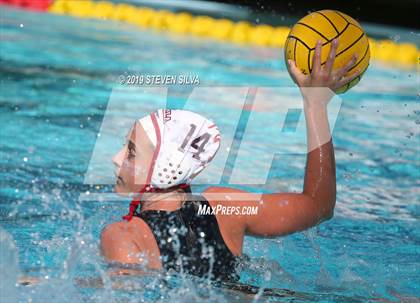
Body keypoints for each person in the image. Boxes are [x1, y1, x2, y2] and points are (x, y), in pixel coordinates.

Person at [100, 39, 360, 282]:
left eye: (131, 151)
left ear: (163, 166)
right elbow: (319, 205)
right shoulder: (225, 208)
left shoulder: (124, 236)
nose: (116, 158)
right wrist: (315, 105)